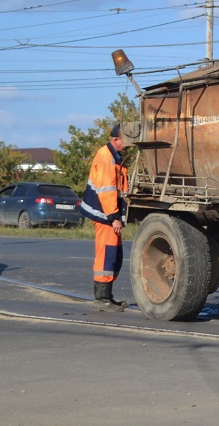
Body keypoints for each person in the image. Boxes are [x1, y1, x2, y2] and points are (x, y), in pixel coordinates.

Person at [80, 124, 129, 312]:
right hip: (104, 214)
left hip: (107, 214)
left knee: (113, 255)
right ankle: (101, 299)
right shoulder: (106, 156)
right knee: (106, 254)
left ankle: (107, 297)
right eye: (125, 141)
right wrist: (114, 217)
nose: (127, 145)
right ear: (116, 139)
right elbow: (107, 190)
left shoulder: (114, 156)